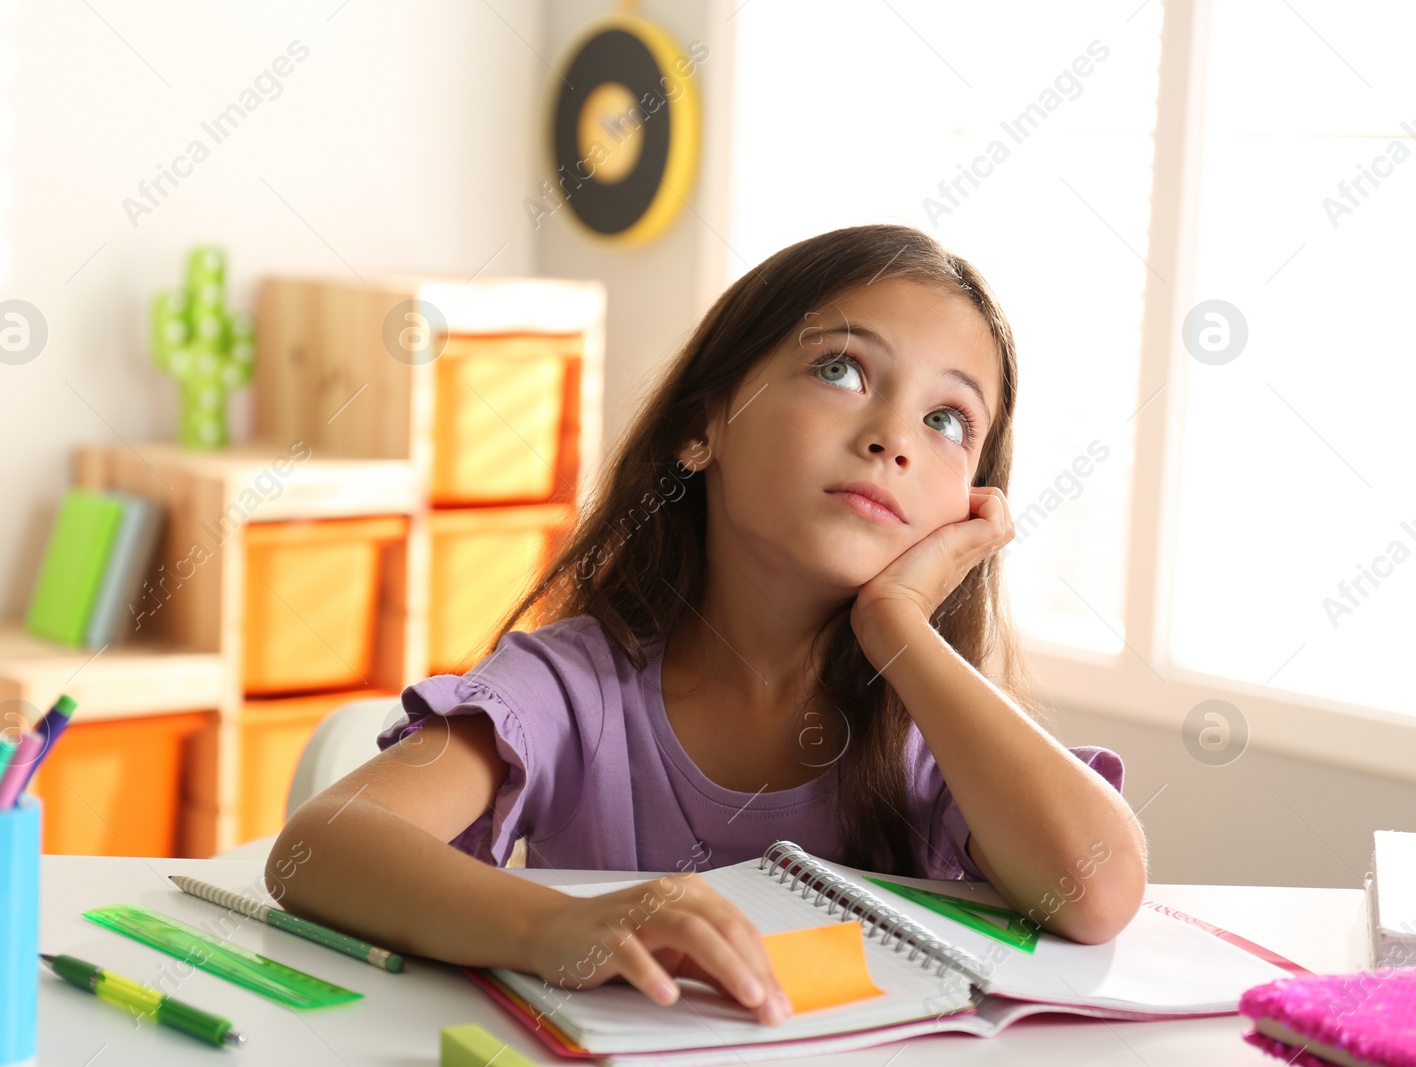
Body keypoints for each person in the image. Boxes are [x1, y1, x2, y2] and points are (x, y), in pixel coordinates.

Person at [269, 223, 1148, 1028]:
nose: (894, 437)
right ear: (702, 425)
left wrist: (900, 627)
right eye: (841, 369)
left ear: (968, 509)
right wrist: (558, 926)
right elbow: (320, 846)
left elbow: (1099, 889)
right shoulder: (572, 688)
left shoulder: (931, 729)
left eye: (947, 419)